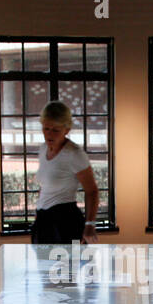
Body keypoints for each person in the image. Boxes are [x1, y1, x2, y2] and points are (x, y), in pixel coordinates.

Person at [30, 101, 100, 244]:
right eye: (46, 128)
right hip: (44, 220)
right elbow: (44, 187)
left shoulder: (74, 154)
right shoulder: (43, 149)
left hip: (66, 221)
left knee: (69, 266)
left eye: (55, 130)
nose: (49, 134)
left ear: (66, 130)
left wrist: (90, 225)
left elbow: (92, 191)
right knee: (43, 266)